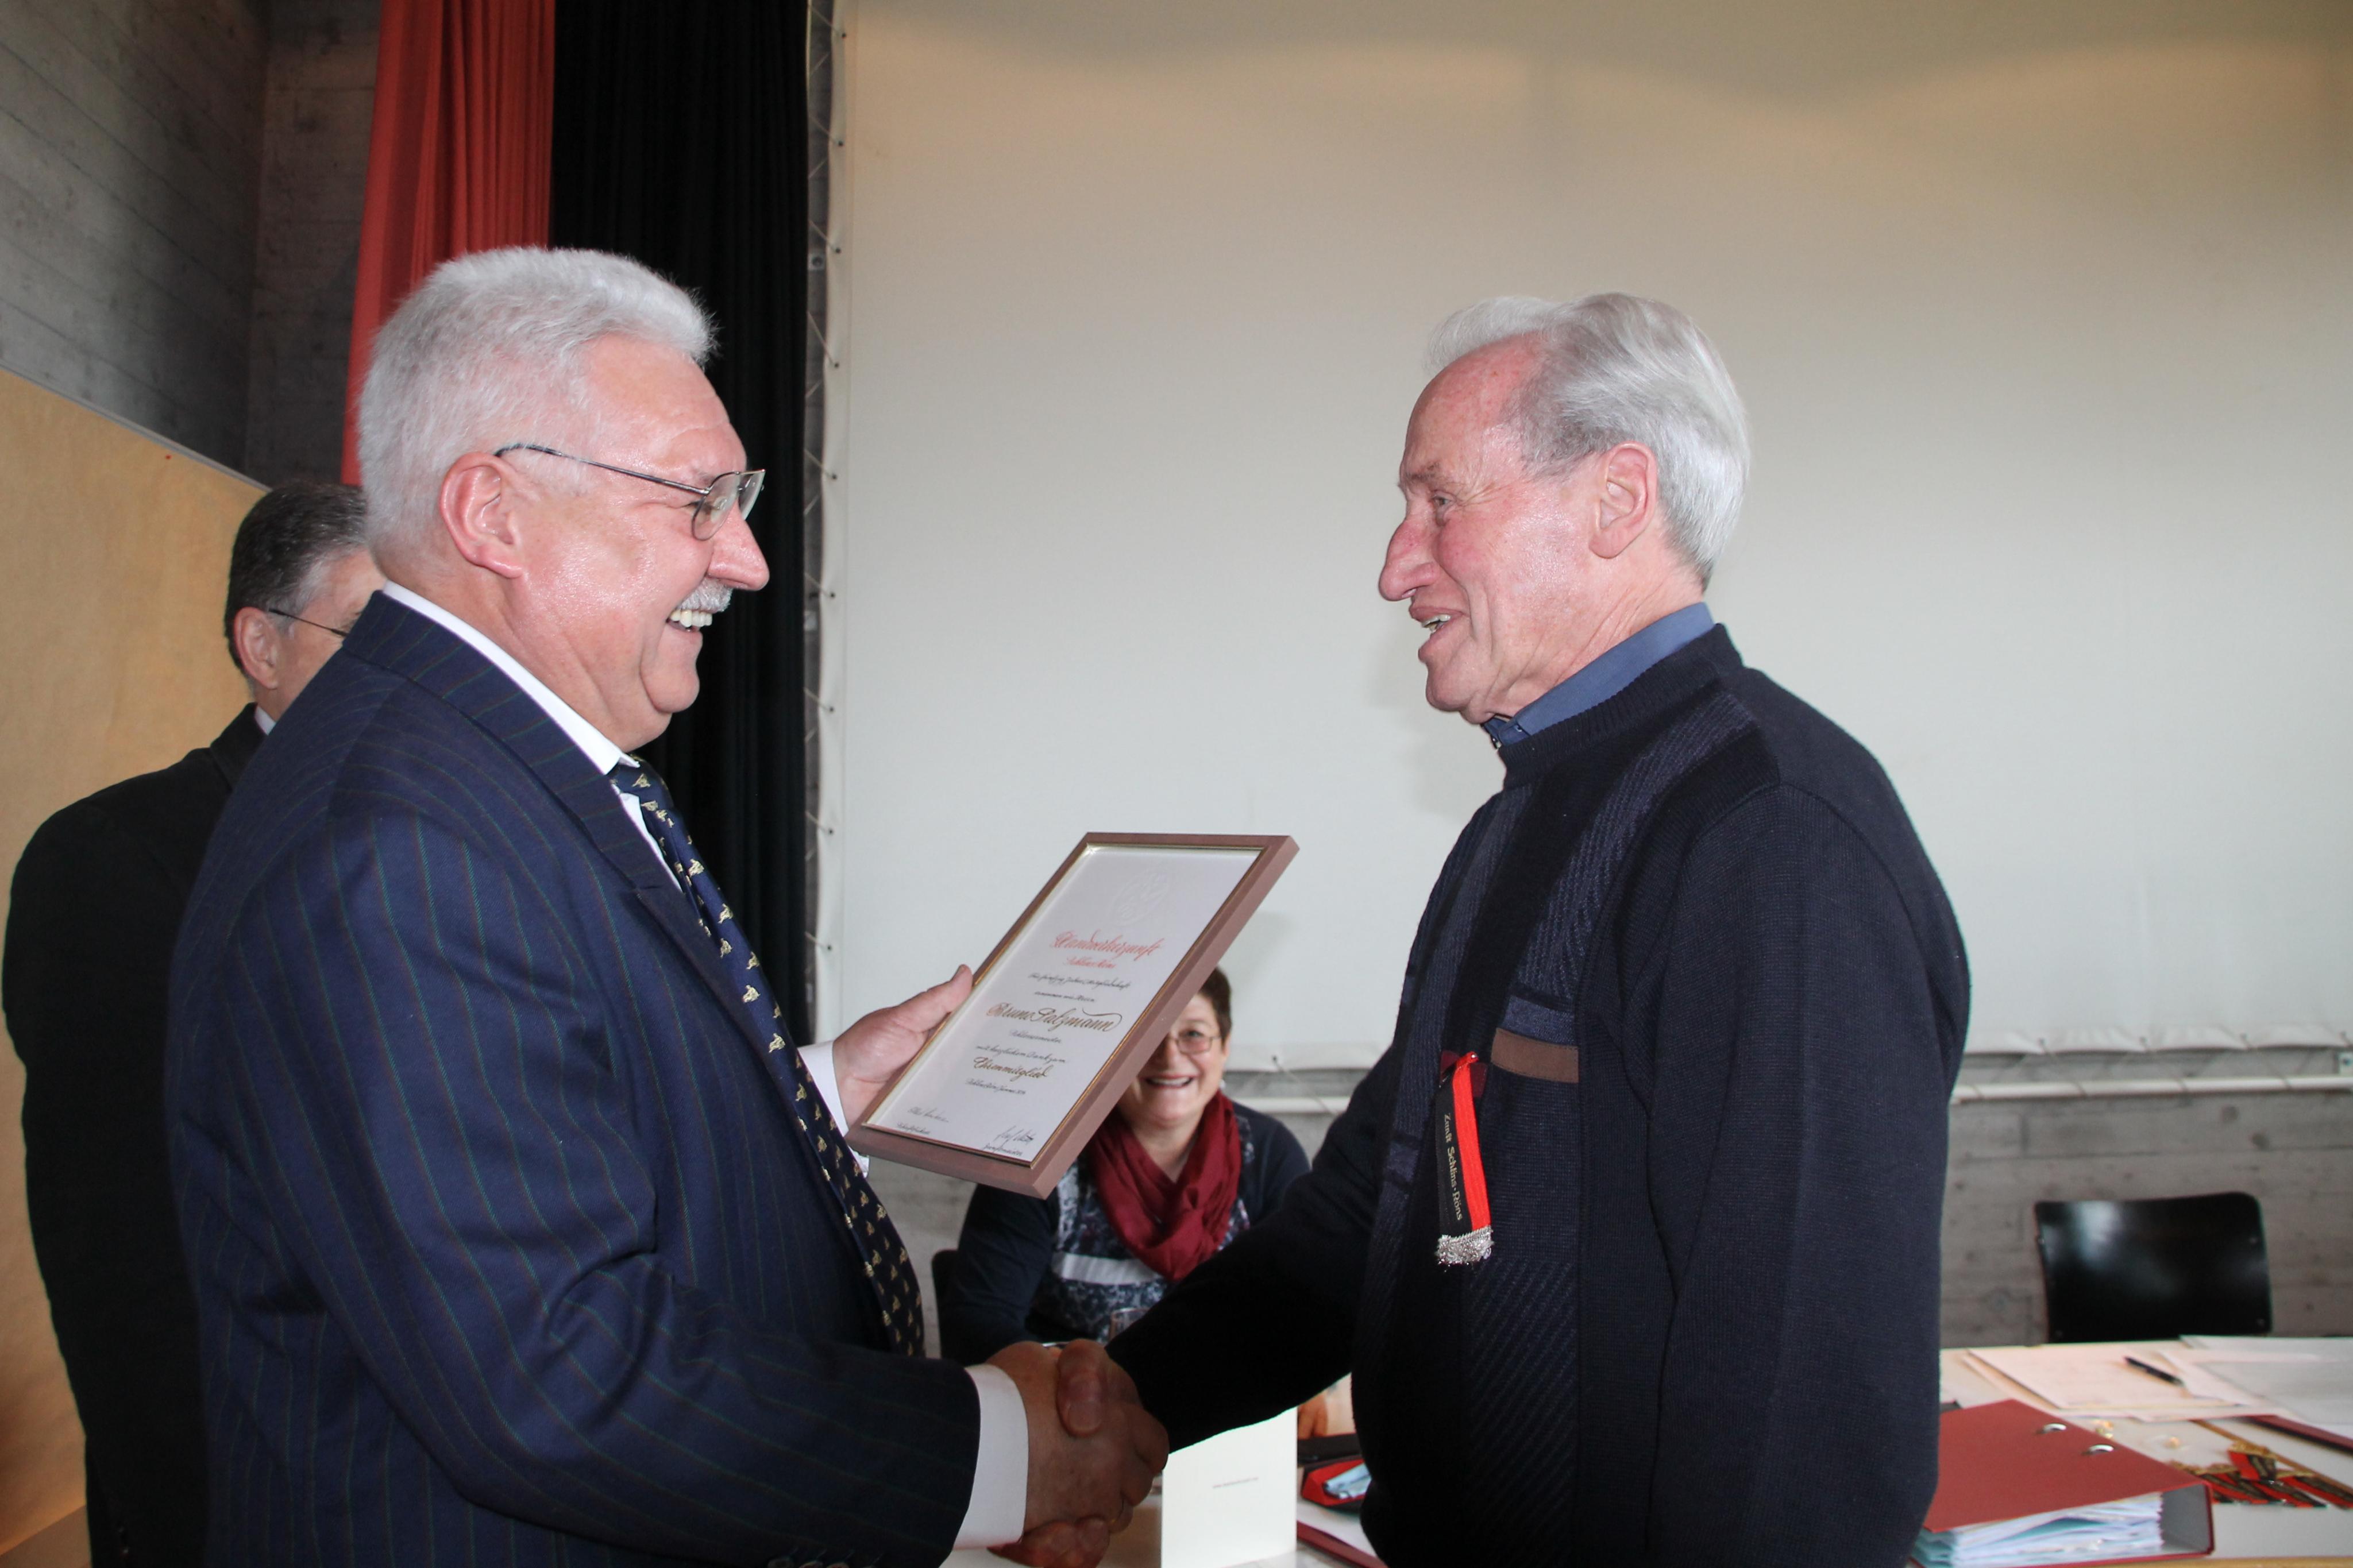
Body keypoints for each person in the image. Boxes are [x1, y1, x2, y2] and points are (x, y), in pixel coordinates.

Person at [163, 249, 1161, 1568]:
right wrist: (995, 1452)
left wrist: (818, 1093)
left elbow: (546, 1134)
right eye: (698, 502)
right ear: (494, 515)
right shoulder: (398, 842)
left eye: (736, 502)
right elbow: (552, 1371)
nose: (745, 560)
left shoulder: (473, 769)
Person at [1108, 294, 1969, 1566]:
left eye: (1439, 503)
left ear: (1616, 501)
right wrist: (1119, 1406)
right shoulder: (1519, 824)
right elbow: (1379, 1209)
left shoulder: (1770, 839)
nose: (1394, 567)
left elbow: (1800, 1433)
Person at [3, 481, 379, 1568]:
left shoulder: (473, 849)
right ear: (263, 646)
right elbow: (122, 1259)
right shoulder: (119, 860)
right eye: (372, 635)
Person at [942, 969, 1309, 1362]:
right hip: (1065, 1391)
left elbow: (1300, 1311)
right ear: (1111, 1048)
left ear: (1225, 1046)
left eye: (1194, 1034)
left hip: (1229, 1391)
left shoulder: (1269, 1155)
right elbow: (978, 1323)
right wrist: (1083, 1382)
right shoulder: (1038, 1156)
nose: (1169, 1057)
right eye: (1145, 1033)